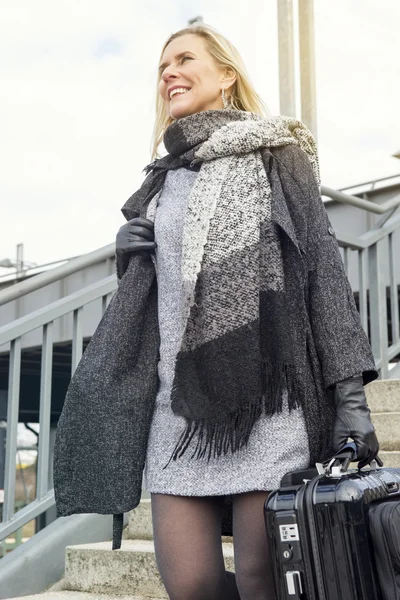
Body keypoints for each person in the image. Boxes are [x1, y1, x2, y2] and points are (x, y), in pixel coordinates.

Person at [112, 23, 379, 600]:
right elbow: (161, 308)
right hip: (178, 408)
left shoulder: (276, 155)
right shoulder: (160, 182)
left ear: (227, 74)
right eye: (162, 67)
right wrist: (126, 257)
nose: (168, 74)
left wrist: (351, 400)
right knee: (192, 584)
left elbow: (324, 278)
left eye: (184, 59)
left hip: (267, 401)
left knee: (265, 581)